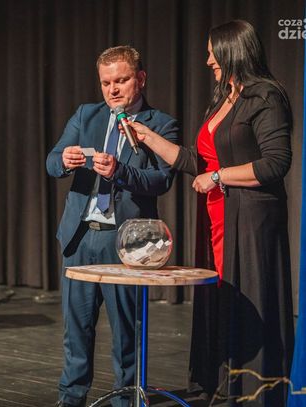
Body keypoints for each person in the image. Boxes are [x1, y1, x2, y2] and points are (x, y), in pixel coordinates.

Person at [126, 20, 295, 406]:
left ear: (233, 50)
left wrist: (218, 177)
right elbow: (197, 161)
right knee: (221, 299)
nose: (207, 61)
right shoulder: (224, 99)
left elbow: (275, 163)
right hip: (219, 216)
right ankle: (220, 386)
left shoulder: (265, 96)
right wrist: (148, 137)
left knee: (250, 300)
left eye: (212, 53)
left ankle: (253, 393)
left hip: (251, 219)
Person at [46, 45, 178, 407]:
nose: (112, 89)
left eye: (121, 80)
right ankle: (70, 399)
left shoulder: (160, 123)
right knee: (76, 330)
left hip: (125, 242)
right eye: (106, 82)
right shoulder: (86, 115)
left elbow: (162, 180)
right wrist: (66, 160)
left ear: (141, 79)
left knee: (126, 334)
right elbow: (52, 161)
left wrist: (121, 172)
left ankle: (126, 401)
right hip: (80, 237)